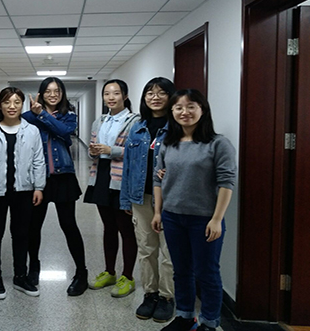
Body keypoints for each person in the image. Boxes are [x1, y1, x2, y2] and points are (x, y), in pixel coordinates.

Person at [152, 89, 236, 331]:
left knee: (207, 273)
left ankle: (209, 322)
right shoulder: (168, 144)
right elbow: (158, 179)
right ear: (172, 111)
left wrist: (217, 219)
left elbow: (226, 182)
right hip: (172, 217)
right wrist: (158, 212)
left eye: (191, 106)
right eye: (178, 107)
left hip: (204, 219)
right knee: (181, 271)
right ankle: (185, 316)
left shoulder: (218, 144)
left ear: (202, 110)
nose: (184, 112)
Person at [0, 87, 46, 299]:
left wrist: (39, 187)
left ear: (22, 105)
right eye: (7, 102)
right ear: (0, 105)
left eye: (16, 102)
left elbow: (39, 160)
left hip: (24, 190)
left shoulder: (32, 131)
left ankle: (20, 276)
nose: (12, 106)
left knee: (21, 234)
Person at [21, 77, 88, 296]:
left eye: (57, 91)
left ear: (62, 93)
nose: (53, 94)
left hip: (63, 177)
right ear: (41, 93)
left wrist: (42, 114)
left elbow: (63, 132)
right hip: (37, 179)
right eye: (48, 91)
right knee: (33, 226)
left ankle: (81, 272)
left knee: (69, 225)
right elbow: (10, 124)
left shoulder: (69, 115)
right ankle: (34, 267)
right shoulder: (28, 117)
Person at [120, 77, 176, 322]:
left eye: (161, 92)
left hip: (170, 199)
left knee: (169, 251)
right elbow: (128, 165)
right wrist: (126, 199)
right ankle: (150, 294)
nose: (155, 97)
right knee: (146, 248)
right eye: (150, 93)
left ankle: (167, 297)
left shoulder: (177, 128)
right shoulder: (138, 127)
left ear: (171, 97)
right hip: (140, 197)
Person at [84, 79, 140, 298]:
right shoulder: (100, 121)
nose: (111, 97)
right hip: (101, 175)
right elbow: (92, 149)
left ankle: (128, 276)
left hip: (121, 178)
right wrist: (93, 151)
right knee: (108, 227)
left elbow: (137, 152)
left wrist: (111, 150)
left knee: (125, 228)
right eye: (107, 93)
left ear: (125, 96)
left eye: (116, 93)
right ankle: (109, 272)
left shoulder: (135, 121)